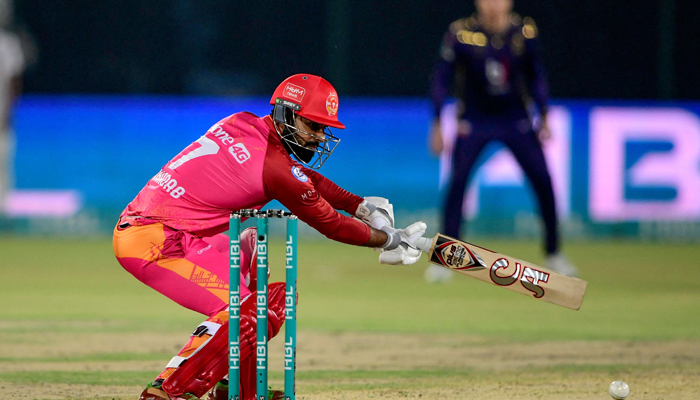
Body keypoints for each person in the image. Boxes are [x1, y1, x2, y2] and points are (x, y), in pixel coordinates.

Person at [113, 74, 432, 400]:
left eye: (323, 129)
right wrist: (390, 240)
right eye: (313, 126)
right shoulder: (275, 169)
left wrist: (360, 205)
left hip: (171, 231)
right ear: (287, 114)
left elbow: (300, 176)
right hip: (154, 240)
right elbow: (331, 224)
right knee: (257, 308)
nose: (319, 137)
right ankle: (169, 389)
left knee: (252, 268)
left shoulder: (242, 122)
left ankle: (238, 391)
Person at [426, 0, 577, 282]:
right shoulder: (460, 34)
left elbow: (536, 75)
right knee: (457, 183)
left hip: (515, 120)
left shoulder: (524, 32)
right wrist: (436, 122)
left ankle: (554, 252)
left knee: (543, 181)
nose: (493, 5)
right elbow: (441, 79)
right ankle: (446, 259)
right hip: (474, 119)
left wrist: (543, 114)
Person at [0, 0, 25, 214]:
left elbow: (14, 81)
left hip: (2, 119)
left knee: (3, 168)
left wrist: (9, 111)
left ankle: (3, 217)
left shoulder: (7, 43)